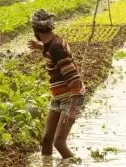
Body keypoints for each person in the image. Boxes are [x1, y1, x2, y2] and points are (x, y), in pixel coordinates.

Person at [27, 9, 86, 159]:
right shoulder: (51, 44)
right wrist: (39, 46)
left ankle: (73, 163)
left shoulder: (56, 47)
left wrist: (72, 109)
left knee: (59, 142)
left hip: (69, 97)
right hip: (57, 96)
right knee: (47, 139)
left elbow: (75, 80)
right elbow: (51, 52)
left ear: (35, 29)